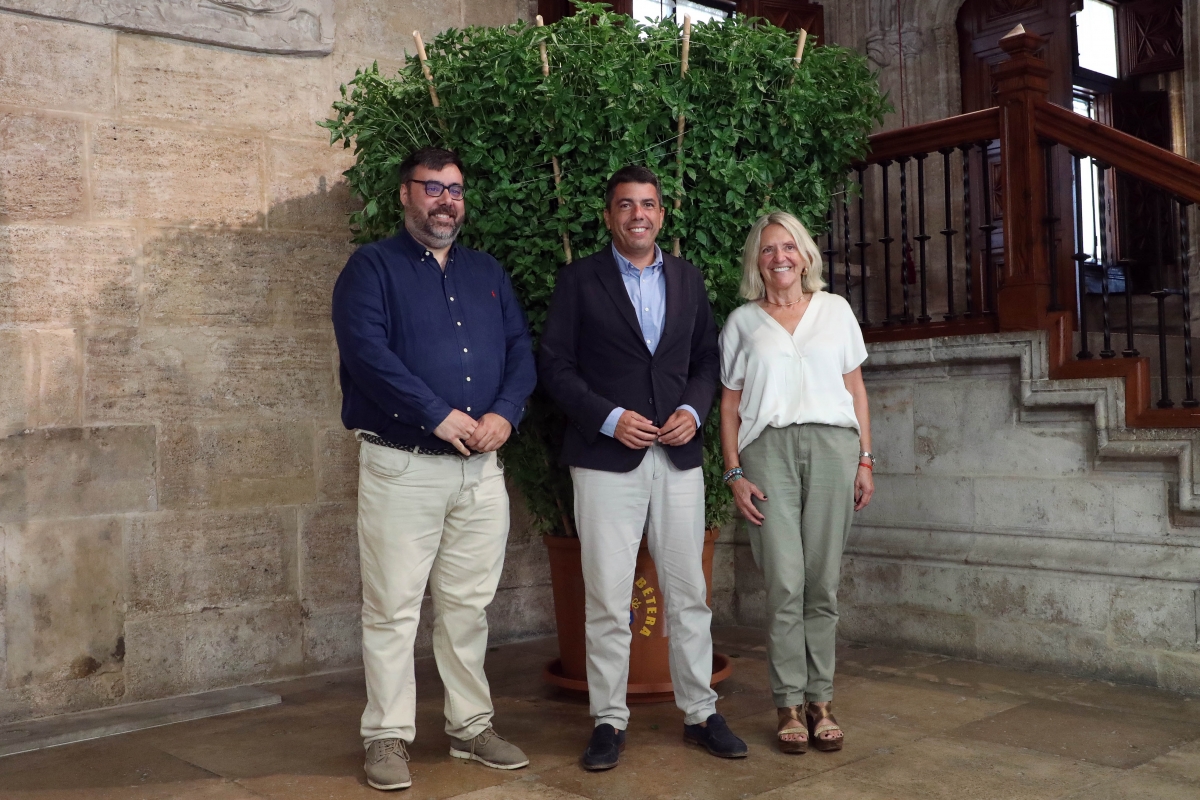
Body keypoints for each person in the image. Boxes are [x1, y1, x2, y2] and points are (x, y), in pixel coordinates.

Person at [331, 147, 537, 791]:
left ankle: (471, 727)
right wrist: (436, 414)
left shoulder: (487, 272)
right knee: (392, 608)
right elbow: (367, 354)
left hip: (481, 472)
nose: (447, 201)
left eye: (456, 190)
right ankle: (387, 737)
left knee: (467, 608)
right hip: (404, 466)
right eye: (433, 189)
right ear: (405, 195)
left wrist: (505, 413)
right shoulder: (371, 268)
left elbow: (519, 350)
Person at [539, 165, 747, 770]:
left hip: (678, 458)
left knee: (688, 594)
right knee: (607, 597)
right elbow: (555, 366)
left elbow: (707, 357)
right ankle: (608, 720)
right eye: (626, 205)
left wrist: (693, 408)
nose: (638, 215)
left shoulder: (686, 278)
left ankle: (701, 712)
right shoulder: (579, 280)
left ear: (662, 214)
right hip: (606, 460)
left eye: (648, 205)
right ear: (609, 216)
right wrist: (607, 418)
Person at [718, 211, 875, 755]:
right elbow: (731, 403)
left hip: (834, 449)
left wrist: (866, 459)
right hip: (767, 453)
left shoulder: (835, 311)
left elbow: (855, 389)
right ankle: (787, 702)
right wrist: (734, 471)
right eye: (767, 250)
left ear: (805, 255)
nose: (780, 257)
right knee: (785, 581)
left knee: (821, 583)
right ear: (755, 262)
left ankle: (821, 701)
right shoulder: (742, 322)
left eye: (789, 247)